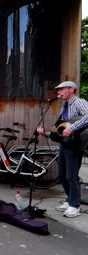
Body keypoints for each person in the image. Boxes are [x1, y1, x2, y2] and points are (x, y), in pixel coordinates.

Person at [37, 81, 88, 218]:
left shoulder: (79, 102)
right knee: (62, 175)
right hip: (65, 144)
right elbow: (61, 129)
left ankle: (75, 205)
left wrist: (72, 128)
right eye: (58, 90)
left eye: (61, 89)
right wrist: (47, 133)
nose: (58, 92)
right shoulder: (64, 107)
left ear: (71, 89)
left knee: (71, 176)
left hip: (75, 144)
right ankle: (69, 199)